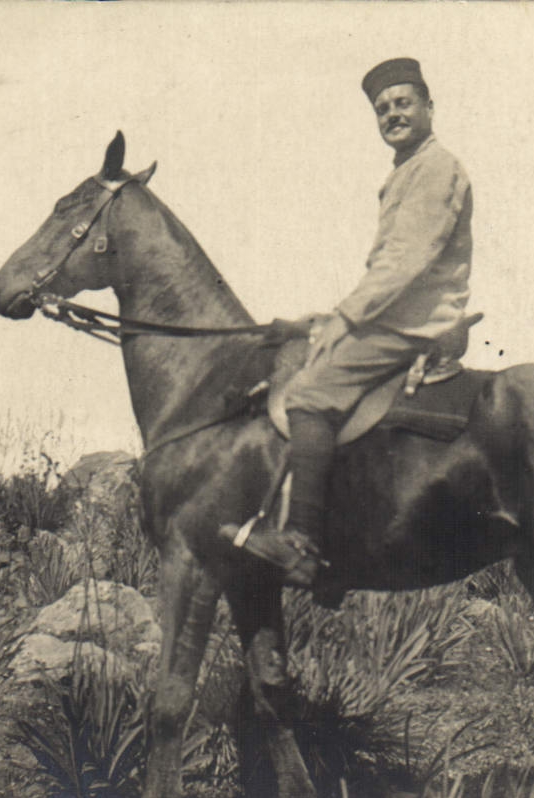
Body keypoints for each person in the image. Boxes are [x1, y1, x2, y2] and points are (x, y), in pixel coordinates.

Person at [228, 57, 474, 587]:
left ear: (430, 107)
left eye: (403, 103)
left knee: (309, 394)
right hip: (395, 315)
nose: (393, 114)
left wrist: (343, 319)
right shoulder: (407, 170)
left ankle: (301, 543)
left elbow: (405, 261)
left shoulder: (436, 168)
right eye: (383, 109)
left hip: (413, 323)